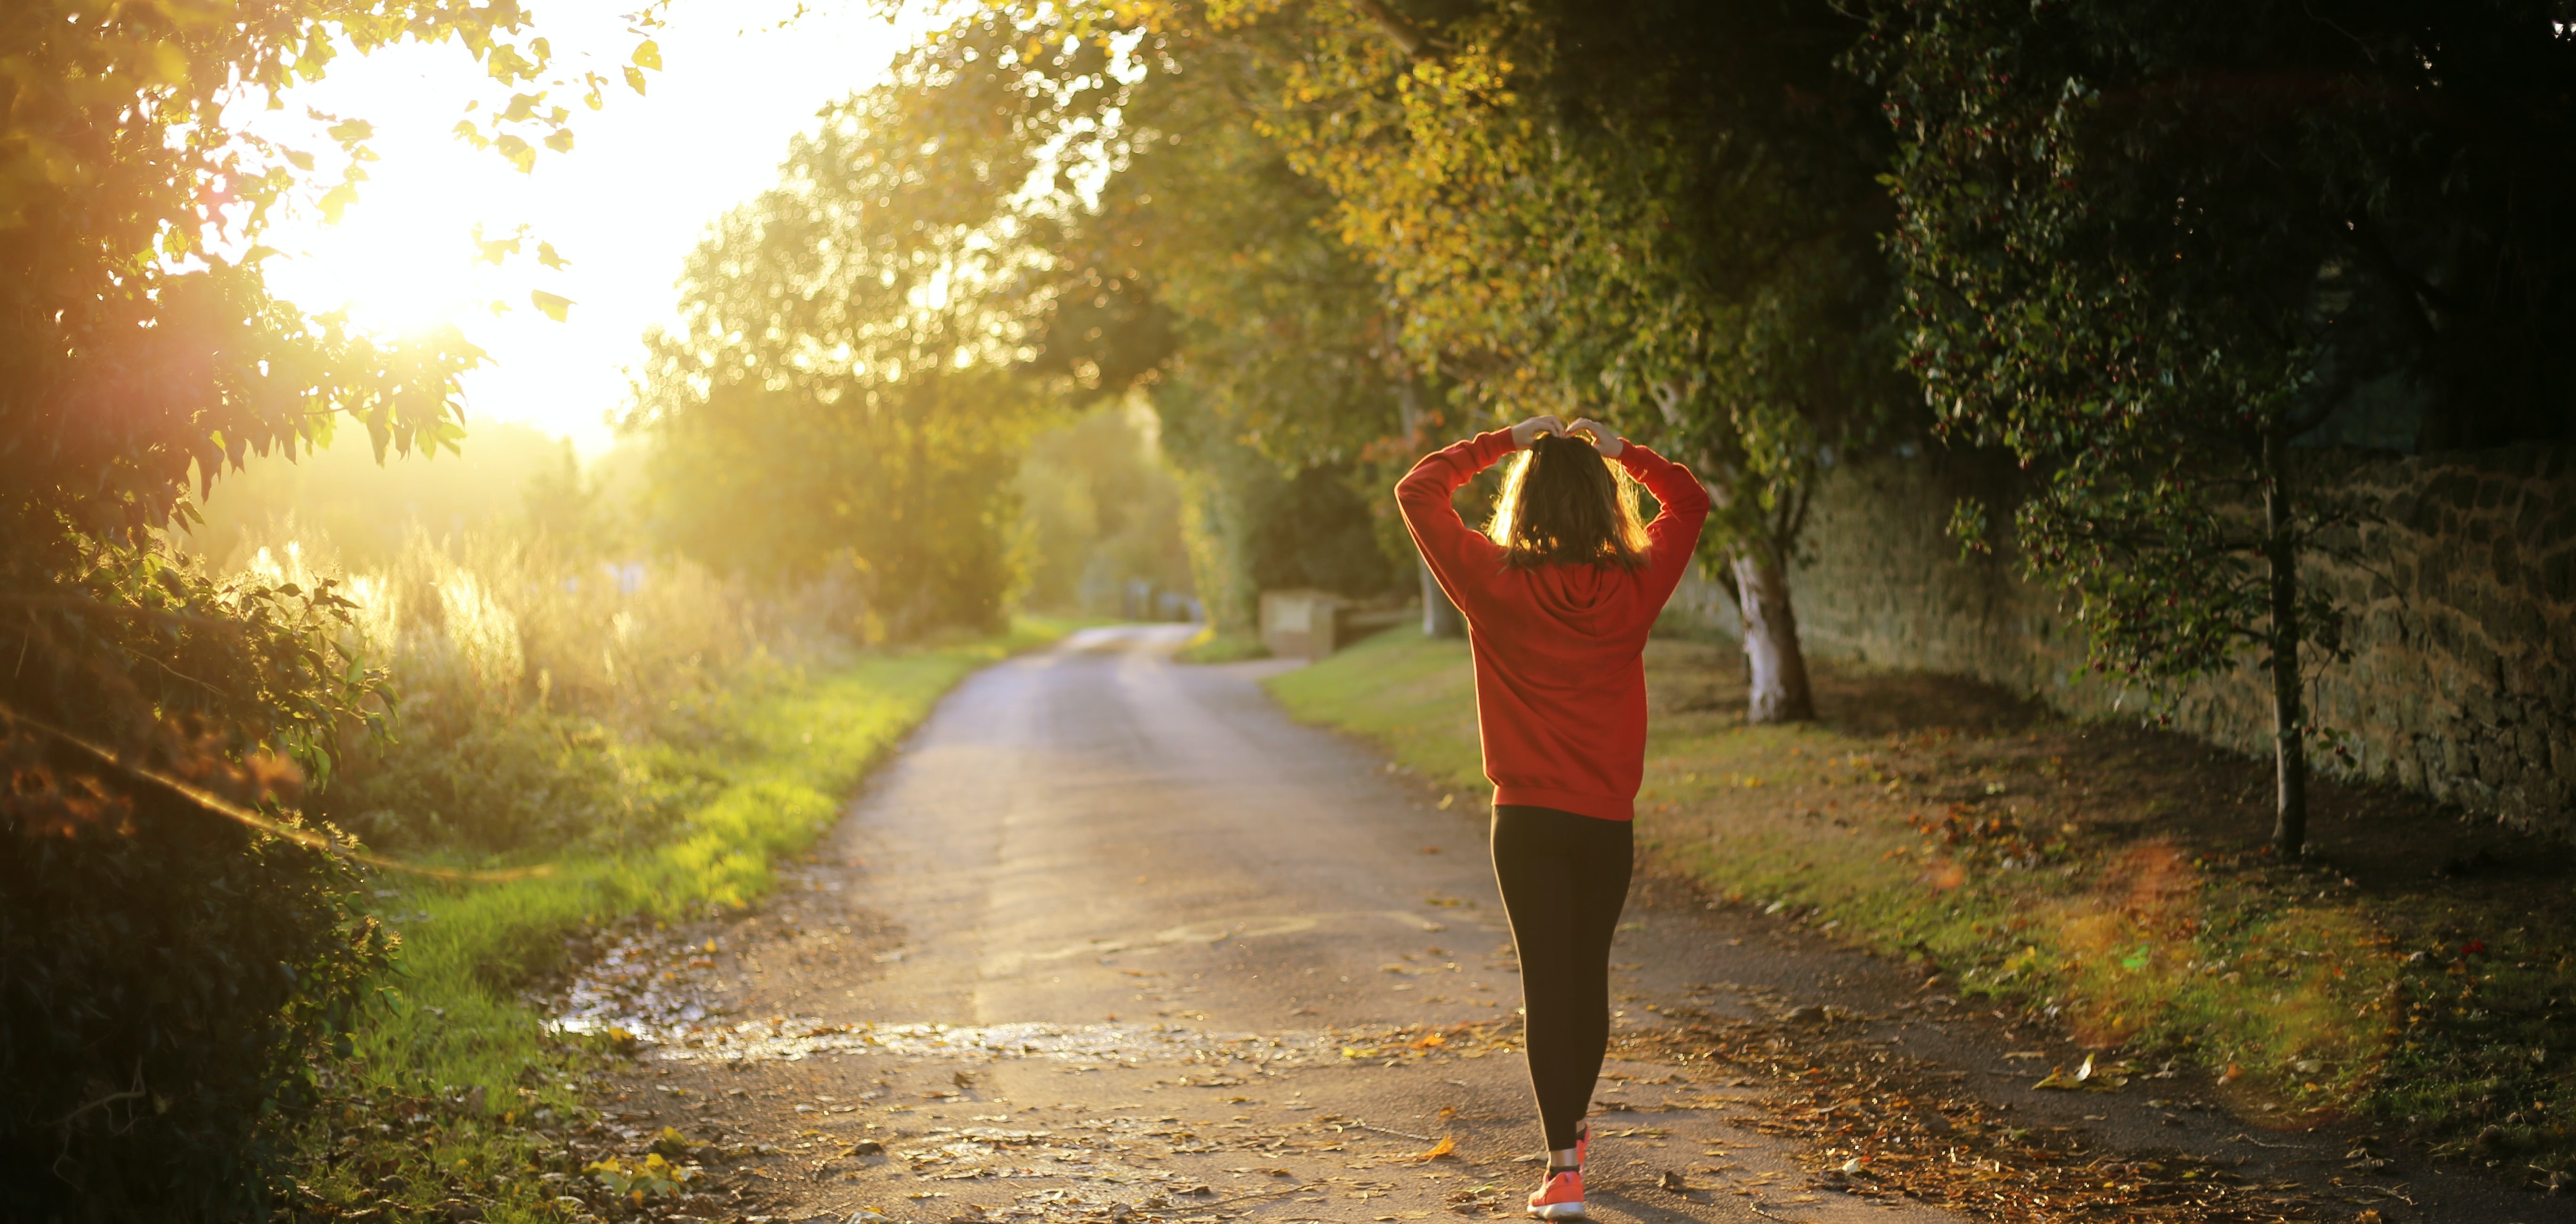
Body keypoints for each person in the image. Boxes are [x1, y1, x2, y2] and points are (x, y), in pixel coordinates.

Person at [1394, 414, 1710, 1221]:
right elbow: (1691, 500)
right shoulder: (1637, 582)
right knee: (1588, 976)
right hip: (1606, 819)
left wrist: (1503, 440)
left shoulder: (1491, 579)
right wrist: (1625, 453)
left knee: (1548, 983)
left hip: (1526, 820)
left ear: (1524, 502)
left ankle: (1563, 1167)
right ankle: (1570, 1135)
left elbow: (1418, 490)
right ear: (1606, 506)